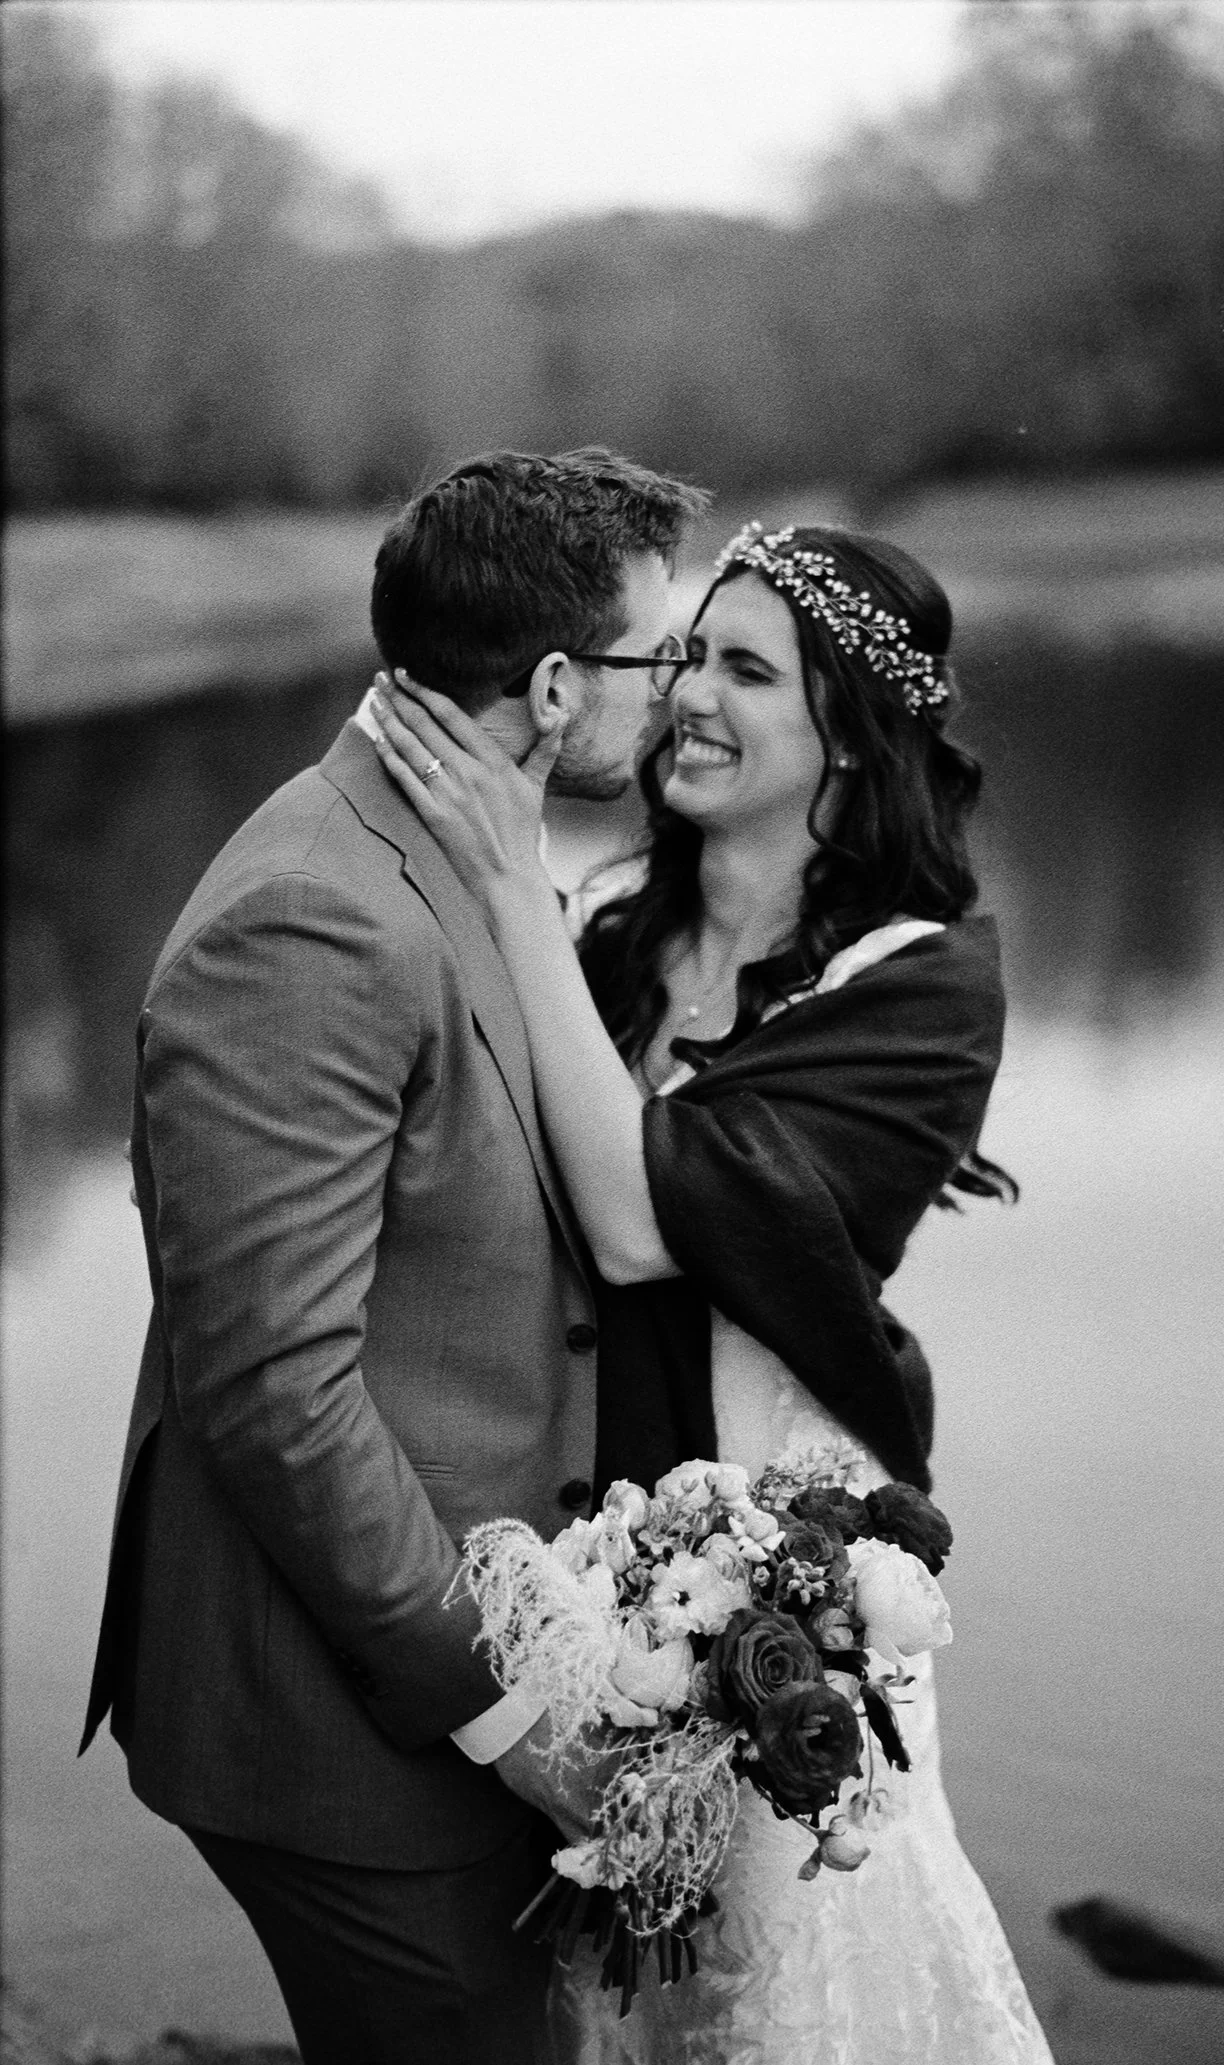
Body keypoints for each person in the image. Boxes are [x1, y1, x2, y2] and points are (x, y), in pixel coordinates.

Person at [369, 518, 1055, 2063]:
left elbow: (630, 1219)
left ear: (854, 750)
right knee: (600, 1963)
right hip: (584, 1508)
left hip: (774, 1557)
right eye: (683, 654)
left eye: (746, 669)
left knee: (774, 1959)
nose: (685, 693)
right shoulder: (613, 936)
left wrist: (502, 863)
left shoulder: (926, 986)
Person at [80, 447, 708, 2065]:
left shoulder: (457, 845)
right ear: (558, 687)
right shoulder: (310, 916)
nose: (683, 690)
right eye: (665, 656)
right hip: (353, 1726)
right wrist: (513, 1714)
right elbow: (276, 1395)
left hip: (457, 1662)